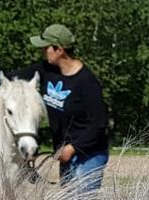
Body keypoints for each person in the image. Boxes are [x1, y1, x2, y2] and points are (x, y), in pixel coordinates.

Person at [15, 24, 110, 191]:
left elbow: (99, 124)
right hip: (65, 154)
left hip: (89, 155)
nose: (42, 51)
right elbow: (14, 77)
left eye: (46, 47)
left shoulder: (87, 82)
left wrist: (72, 148)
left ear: (59, 50)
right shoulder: (47, 69)